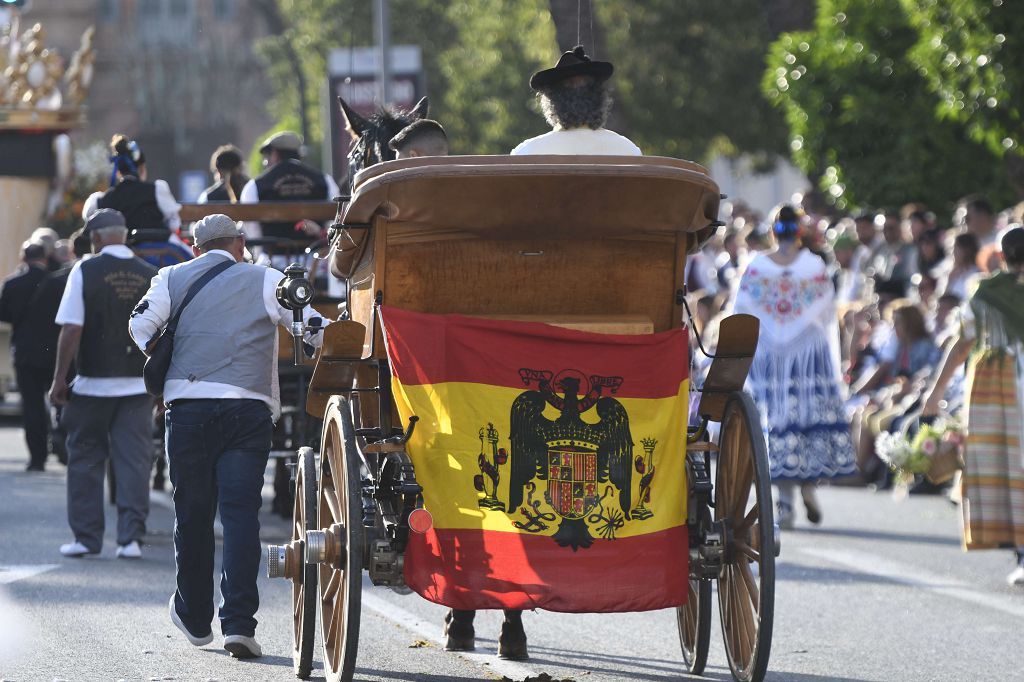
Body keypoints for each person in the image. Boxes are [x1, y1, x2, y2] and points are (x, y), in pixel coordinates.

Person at [129, 214, 329, 659]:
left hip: (188, 408)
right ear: (240, 242)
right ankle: (239, 624)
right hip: (247, 405)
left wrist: (175, 353)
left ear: (196, 248)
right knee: (241, 515)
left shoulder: (171, 277)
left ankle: (195, 618)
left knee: (193, 513)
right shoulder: (265, 277)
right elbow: (312, 327)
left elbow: (140, 326)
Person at [732, 205, 856, 528]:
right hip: (807, 357)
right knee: (804, 419)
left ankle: (785, 503)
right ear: (799, 232)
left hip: (769, 358)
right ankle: (806, 488)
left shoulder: (756, 266)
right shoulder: (813, 265)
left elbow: (741, 310)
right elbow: (826, 311)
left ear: (774, 231)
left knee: (777, 422)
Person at [49, 209, 157, 559]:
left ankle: (86, 538)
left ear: (95, 238)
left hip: (93, 384)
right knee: (135, 463)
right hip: (138, 385)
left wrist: (59, 380)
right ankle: (130, 540)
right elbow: (162, 333)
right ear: (123, 235)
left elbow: (72, 328)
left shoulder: (85, 269)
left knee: (84, 459)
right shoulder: (150, 273)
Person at [922, 227, 1024, 585]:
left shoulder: (984, 291)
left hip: (994, 385)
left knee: (1005, 465)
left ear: (1001, 255)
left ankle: (1020, 550)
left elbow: (963, 342)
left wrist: (935, 393)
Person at [511, 45, 641, 156]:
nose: (576, 86)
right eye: (570, 83)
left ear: (552, 99)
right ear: (598, 96)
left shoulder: (527, 152)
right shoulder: (627, 150)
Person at [0, 241, 53, 471]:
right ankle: (61, 445)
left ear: (23, 257)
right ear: (45, 257)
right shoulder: (57, 281)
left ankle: (37, 457)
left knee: (31, 405)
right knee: (58, 401)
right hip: (54, 351)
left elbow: (3, 315)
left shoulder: (12, 284)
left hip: (24, 351)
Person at [238, 131, 340, 241]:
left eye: (267, 156)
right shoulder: (325, 180)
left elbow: (251, 227)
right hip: (317, 254)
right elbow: (336, 218)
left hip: (272, 256)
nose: (265, 162)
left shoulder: (255, 186)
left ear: (275, 154)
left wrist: (262, 250)